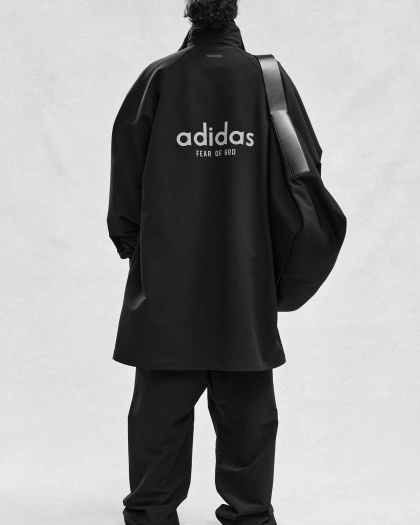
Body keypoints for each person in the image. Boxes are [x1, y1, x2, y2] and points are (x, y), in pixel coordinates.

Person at [107, 1, 323, 524]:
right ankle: (250, 515)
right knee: (248, 407)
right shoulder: (268, 79)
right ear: (233, 11)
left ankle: (151, 514)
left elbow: (126, 167)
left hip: (167, 275)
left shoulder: (158, 78)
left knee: (160, 407)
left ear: (189, 13)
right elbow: (305, 168)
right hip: (246, 272)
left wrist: (134, 245)